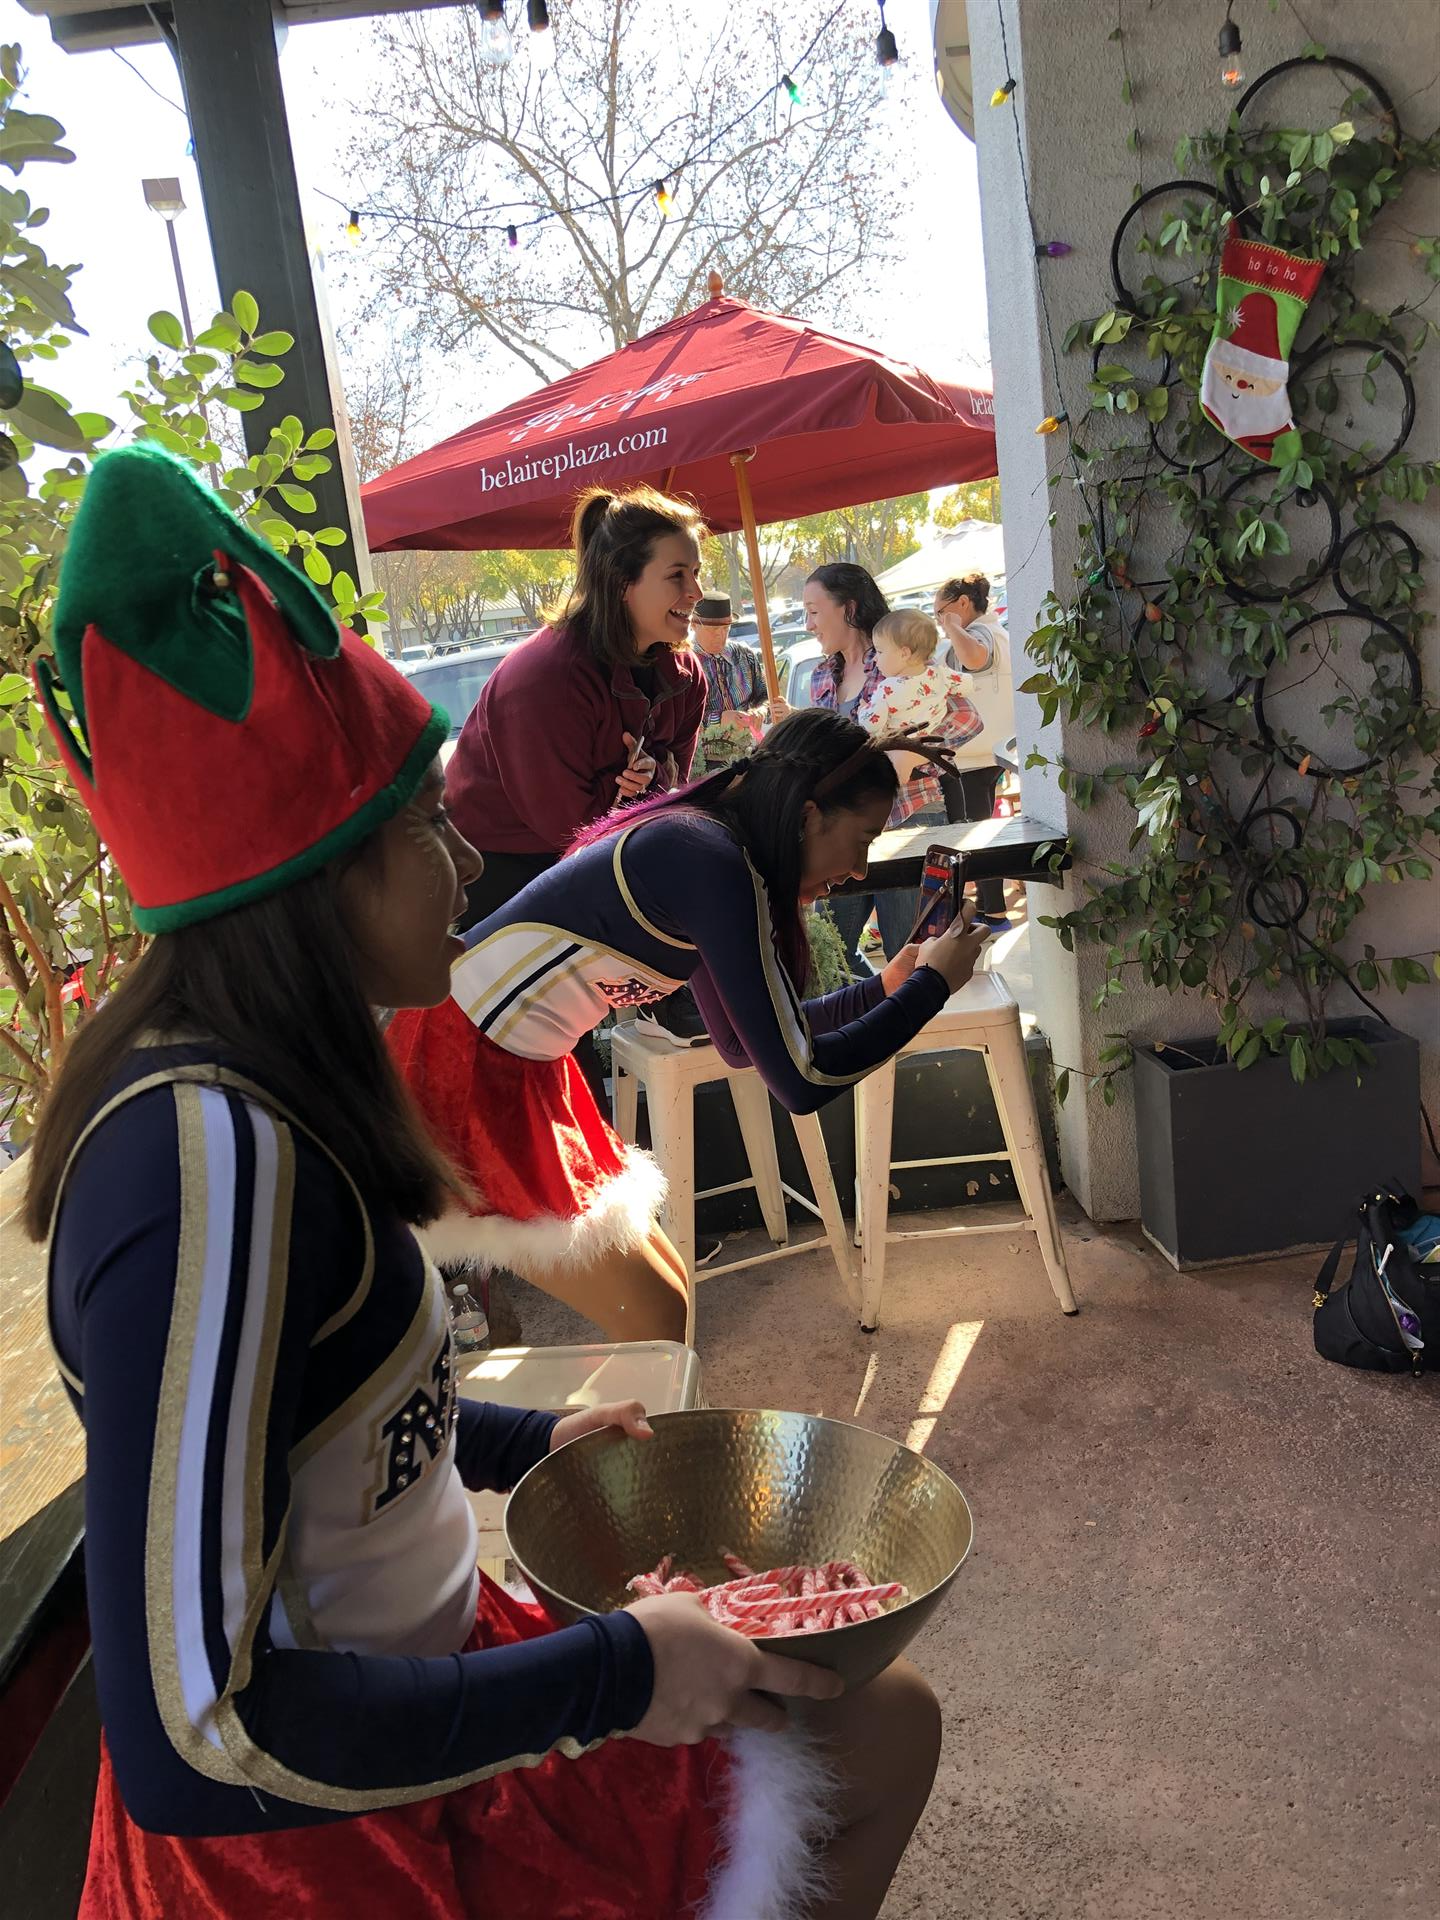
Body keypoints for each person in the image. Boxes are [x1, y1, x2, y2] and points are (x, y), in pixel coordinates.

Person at [28, 444, 941, 1920]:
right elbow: (197, 1733)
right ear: (315, 885)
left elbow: (325, 1414)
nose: (461, 864)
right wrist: (614, 1672)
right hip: (327, 1839)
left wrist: (532, 1438)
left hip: (438, 1664)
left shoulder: (282, 1101)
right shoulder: (202, 1165)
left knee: (877, 1724)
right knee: (867, 1734)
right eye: (418, 832)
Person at [386, 710, 990, 1336]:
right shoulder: (709, 858)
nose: (861, 870)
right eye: (862, 839)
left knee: (667, 1302)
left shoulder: (715, 851)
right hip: (460, 1061)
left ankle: (620, 1425)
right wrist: (931, 987)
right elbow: (802, 1080)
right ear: (809, 815)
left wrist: (890, 986)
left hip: (509, 1057)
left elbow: (739, 1046)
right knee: (656, 1314)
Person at [442, 484, 709, 1099]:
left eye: (695, 573)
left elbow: (674, 796)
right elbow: (565, 829)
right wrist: (625, 800)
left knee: (573, 1047)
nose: (695, 593)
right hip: (494, 876)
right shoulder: (544, 676)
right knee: (528, 1058)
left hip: (591, 856)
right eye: (677, 576)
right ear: (623, 582)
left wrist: (648, 789)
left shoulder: (684, 671)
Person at [802, 563, 983, 971]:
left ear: (848, 609)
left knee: (913, 953)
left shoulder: (897, 656)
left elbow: (967, 719)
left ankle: (924, 1033)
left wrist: (910, 753)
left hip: (909, 819)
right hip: (842, 831)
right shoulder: (820, 676)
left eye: (814, 611)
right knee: (829, 953)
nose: (808, 623)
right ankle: (870, 1024)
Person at [934, 572, 1014, 929]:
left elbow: (974, 658)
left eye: (941, 612)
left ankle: (992, 911)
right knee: (977, 832)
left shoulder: (979, 634)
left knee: (968, 838)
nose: (938, 620)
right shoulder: (996, 631)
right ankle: (991, 908)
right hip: (985, 752)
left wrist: (952, 629)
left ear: (963, 604)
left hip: (970, 756)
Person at [858, 609, 974, 740]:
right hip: (931, 744)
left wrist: (863, 710)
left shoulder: (887, 689)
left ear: (904, 653)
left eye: (880, 651)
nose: (875, 658)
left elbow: (871, 724)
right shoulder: (941, 674)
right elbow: (967, 685)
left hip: (900, 748)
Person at [690, 591, 771, 773]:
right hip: (704, 764)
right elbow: (680, 721)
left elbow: (767, 697)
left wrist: (760, 711)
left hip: (749, 755)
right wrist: (719, 719)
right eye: (713, 629)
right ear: (694, 625)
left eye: (726, 628)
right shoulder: (684, 664)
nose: (720, 635)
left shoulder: (745, 655)